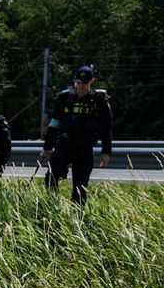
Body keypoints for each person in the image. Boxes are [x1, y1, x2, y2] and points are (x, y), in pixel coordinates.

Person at [40, 65, 113, 206]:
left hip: (84, 148)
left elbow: (107, 128)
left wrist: (106, 151)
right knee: (51, 177)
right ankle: (54, 207)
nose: (80, 86)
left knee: (80, 188)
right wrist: (47, 147)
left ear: (92, 81)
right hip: (63, 145)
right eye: (78, 82)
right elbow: (54, 123)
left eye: (84, 83)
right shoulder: (65, 98)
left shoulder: (99, 101)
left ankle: (76, 218)